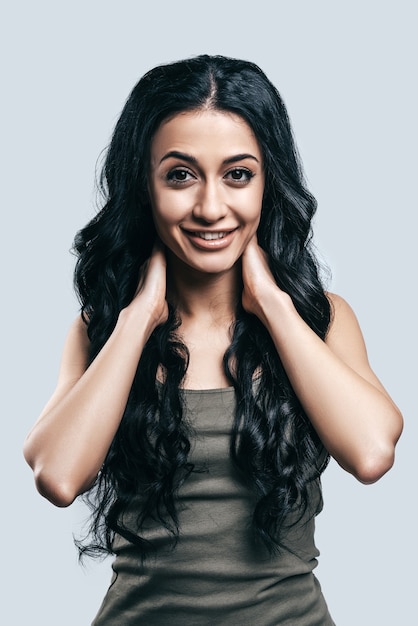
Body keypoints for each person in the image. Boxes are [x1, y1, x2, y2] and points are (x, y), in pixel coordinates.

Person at [23, 54, 403, 625]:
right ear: (143, 186)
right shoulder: (101, 329)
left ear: (268, 183)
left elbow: (372, 453)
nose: (209, 207)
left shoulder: (320, 320)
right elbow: (57, 474)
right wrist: (137, 318)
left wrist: (273, 305)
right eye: (180, 175)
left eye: (237, 174)